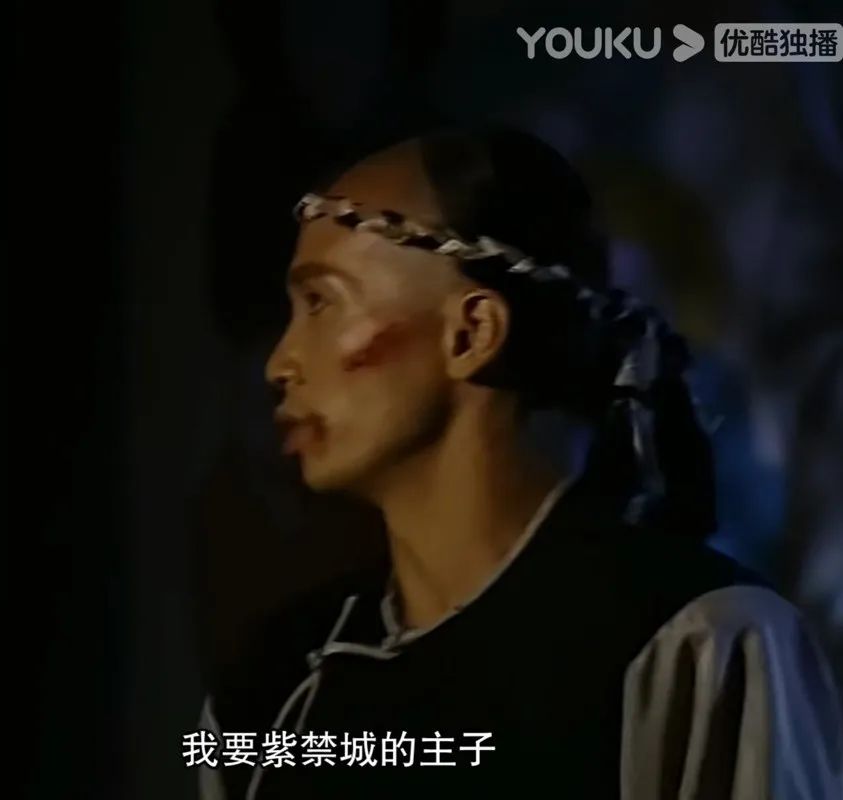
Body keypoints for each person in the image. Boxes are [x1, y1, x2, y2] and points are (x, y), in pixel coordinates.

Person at [196, 126, 843, 798]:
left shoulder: (694, 640)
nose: (281, 364)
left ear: (471, 332)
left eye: (321, 302)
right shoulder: (268, 694)